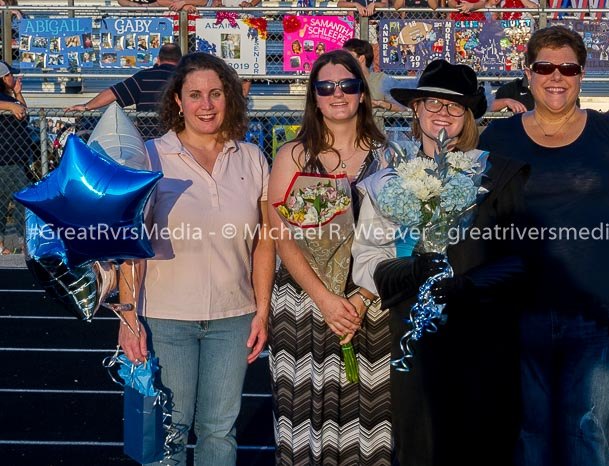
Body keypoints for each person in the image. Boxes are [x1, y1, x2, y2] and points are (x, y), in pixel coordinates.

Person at [478, 26, 609, 466]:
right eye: (545, 67)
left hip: (598, 313)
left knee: (587, 432)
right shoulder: (496, 140)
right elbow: (479, 226)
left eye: (568, 69)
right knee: (529, 434)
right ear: (528, 72)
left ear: (582, 75)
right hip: (519, 313)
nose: (556, 76)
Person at [351, 59, 530, 466]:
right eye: (432, 102)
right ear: (415, 109)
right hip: (415, 337)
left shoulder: (497, 174)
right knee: (420, 446)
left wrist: (468, 284)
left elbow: (520, 259)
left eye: (454, 106)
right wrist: (410, 271)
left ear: (468, 116)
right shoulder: (389, 178)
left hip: (483, 336)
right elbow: (367, 258)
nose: (442, 113)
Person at [116, 52, 275, 466]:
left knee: (219, 432)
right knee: (167, 431)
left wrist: (262, 311)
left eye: (215, 94)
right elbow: (131, 244)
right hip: (165, 318)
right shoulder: (150, 156)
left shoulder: (252, 157)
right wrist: (128, 318)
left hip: (233, 317)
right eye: (195, 95)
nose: (206, 104)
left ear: (229, 98)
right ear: (178, 101)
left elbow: (264, 241)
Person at [267, 49, 391, 466]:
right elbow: (282, 236)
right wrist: (325, 299)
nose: (338, 94)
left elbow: (399, 236)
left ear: (362, 94)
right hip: (305, 303)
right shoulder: (292, 156)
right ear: (315, 98)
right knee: (304, 421)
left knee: (368, 424)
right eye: (326, 87)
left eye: (347, 85)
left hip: (369, 302)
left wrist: (360, 299)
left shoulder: (390, 156)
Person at [66, 44, 182, 137]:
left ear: (158, 59)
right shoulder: (183, 77)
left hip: (150, 140)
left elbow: (114, 93)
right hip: (179, 138)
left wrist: (87, 106)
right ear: (180, 60)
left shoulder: (143, 77)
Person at [0, 61, 31, 255]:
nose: (14, 78)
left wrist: (18, 94)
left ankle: (20, 241)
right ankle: (23, 240)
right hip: (5, 159)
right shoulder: (5, 101)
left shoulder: (8, 97)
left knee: (12, 200)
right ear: (3, 78)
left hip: (16, 159)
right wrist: (10, 105)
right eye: (10, 75)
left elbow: (24, 115)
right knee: (20, 198)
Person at [342, 38, 406, 129]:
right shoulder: (341, 81)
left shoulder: (380, 79)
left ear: (361, 58)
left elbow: (402, 107)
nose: (343, 61)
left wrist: (381, 104)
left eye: (348, 57)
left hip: (374, 133)